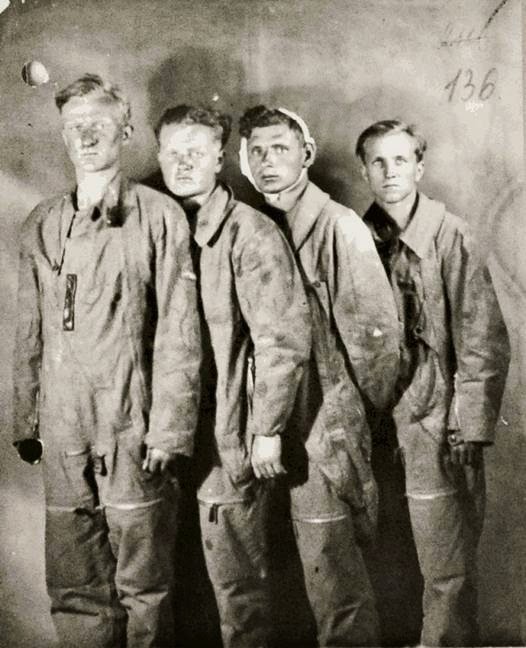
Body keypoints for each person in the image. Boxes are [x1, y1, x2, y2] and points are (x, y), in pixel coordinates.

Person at [12, 74, 201, 648]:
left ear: (125, 129)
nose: (86, 135)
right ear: (63, 136)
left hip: (131, 427)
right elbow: (30, 331)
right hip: (64, 428)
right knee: (75, 581)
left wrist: (169, 428)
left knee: (144, 585)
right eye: (75, 125)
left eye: (99, 122)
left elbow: (179, 331)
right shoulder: (43, 223)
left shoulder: (159, 216)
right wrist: (27, 420)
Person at [239, 105, 400, 647]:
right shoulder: (253, 227)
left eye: (280, 149)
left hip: (324, 427)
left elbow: (376, 341)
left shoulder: (336, 226)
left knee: (335, 578)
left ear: (306, 154)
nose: (268, 162)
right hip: (268, 424)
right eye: (257, 151)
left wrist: (354, 419)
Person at [156, 104, 310, 648]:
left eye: (196, 152)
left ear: (219, 159)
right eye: (173, 152)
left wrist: (267, 428)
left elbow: (282, 341)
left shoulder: (250, 232)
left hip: (228, 441)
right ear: (157, 155)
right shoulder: (155, 227)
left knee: (238, 589)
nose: (183, 164)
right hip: (164, 443)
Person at [356, 119, 510, 646]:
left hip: (439, 421)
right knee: (390, 552)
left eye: (401, 160)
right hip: (377, 420)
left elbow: (481, 335)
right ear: (364, 171)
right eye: (378, 161)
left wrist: (468, 422)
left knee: (446, 560)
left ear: (419, 168)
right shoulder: (356, 238)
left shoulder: (451, 236)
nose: (390, 172)